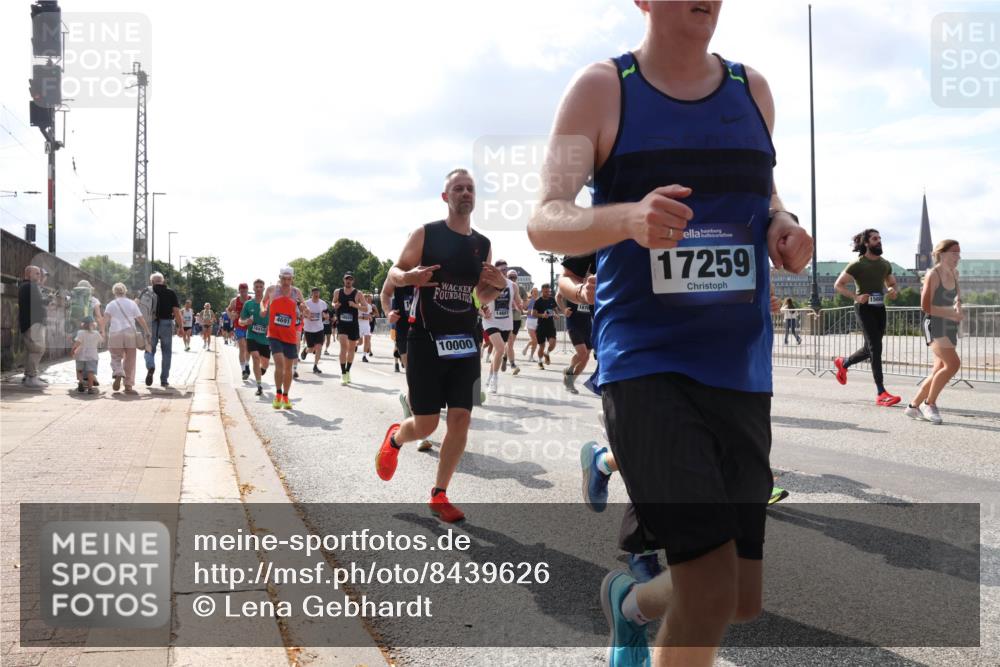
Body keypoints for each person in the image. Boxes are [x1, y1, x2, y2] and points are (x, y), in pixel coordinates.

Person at [526, 2, 813, 663]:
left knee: (737, 595)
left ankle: (627, 599)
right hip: (645, 358)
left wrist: (782, 228)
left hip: (740, 363)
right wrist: (626, 219)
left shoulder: (753, 91)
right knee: (709, 585)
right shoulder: (602, 88)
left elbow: (765, 193)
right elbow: (545, 219)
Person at [375, 168, 507, 523]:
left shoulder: (482, 244)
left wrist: (497, 287)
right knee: (427, 425)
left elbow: (479, 298)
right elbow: (393, 273)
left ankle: (439, 494)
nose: (465, 193)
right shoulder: (426, 234)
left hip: (465, 341)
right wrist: (409, 277)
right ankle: (396, 439)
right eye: (458, 188)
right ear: (445, 196)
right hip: (425, 340)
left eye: (470, 189)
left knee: (462, 419)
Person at [833, 229, 901, 406]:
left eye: (880, 238)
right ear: (866, 243)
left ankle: (844, 362)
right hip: (863, 308)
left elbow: (891, 283)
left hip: (879, 308)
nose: (879, 241)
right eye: (875, 239)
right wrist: (856, 297)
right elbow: (838, 285)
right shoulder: (857, 264)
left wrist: (893, 290)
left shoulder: (885, 264)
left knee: (870, 347)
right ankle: (881, 392)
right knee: (875, 347)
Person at [904, 239, 963, 425]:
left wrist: (958, 307)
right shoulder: (933, 274)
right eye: (954, 252)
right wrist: (949, 312)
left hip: (949, 324)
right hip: (934, 323)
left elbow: (958, 297)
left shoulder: (955, 273)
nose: (958, 256)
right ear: (942, 254)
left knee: (939, 369)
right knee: (953, 364)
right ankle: (929, 404)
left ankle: (913, 406)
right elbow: (925, 306)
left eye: (959, 252)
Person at [262, 267, 309, 409]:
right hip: (274, 333)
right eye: (284, 279)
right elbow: (263, 302)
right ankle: (277, 394)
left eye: (289, 279)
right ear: (279, 277)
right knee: (279, 365)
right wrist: (263, 309)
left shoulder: (296, 292)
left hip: (289, 334)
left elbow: (303, 306)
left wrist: (304, 310)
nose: (286, 282)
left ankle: (286, 396)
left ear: (292, 279)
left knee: (289, 369)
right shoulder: (271, 290)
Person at [482, 263, 523, 394]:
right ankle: (494, 380)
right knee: (500, 349)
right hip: (490, 321)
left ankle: (489, 377)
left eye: (506, 269)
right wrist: (481, 311)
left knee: (497, 353)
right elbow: (478, 299)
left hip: (506, 322)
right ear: (496, 270)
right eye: (502, 269)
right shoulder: (488, 283)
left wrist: (520, 305)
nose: (504, 271)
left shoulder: (513, 285)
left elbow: (517, 300)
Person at [103, 282, 151, 394]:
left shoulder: (111, 304)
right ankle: (128, 384)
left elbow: (105, 320)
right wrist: (147, 330)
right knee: (130, 359)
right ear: (125, 291)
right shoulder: (132, 304)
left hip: (115, 333)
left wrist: (102, 331)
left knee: (115, 356)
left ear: (114, 292)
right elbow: (140, 318)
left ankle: (118, 372)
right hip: (130, 333)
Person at [558, 255, 596, 394]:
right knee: (582, 352)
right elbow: (559, 294)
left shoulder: (594, 280)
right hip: (573, 321)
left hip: (587, 322)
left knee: (586, 356)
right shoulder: (574, 279)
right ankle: (570, 369)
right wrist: (563, 309)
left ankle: (571, 381)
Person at [141, 273, 184, 388]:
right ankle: (164, 380)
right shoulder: (170, 293)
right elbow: (176, 311)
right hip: (166, 323)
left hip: (151, 324)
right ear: (163, 281)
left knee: (149, 349)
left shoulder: (146, 292)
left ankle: (150, 366)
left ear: (152, 282)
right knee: (166, 352)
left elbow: (138, 308)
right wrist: (181, 327)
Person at [240, 279, 271, 397]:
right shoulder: (248, 304)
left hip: (265, 338)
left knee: (265, 363)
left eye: (260, 287)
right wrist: (245, 321)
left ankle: (261, 371)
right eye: (256, 287)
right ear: (253, 289)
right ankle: (259, 386)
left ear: (264, 289)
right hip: (252, 336)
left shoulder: (270, 303)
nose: (258, 289)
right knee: (255, 357)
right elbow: (240, 320)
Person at [18, 265, 48, 388]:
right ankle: (31, 377)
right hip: (34, 323)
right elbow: (39, 302)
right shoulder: (31, 286)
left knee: (32, 350)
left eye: (39, 274)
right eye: (36, 273)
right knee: (37, 349)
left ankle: (28, 376)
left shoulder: (25, 286)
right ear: (28, 274)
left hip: (30, 323)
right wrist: (50, 298)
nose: (39, 276)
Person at [333, 273, 362, 384]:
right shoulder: (337, 292)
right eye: (346, 279)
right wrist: (334, 305)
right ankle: (343, 373)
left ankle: (348, 371)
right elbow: (333, 302)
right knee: (343, 347)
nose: (348, 281)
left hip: (353, 324)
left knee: (351, 348)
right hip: (342, 323)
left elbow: (364, 307)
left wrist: (355, 305)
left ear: (353, 281)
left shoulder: (358, 293)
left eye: (350, 279)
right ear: (343, 280)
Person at [382, 277, 414, 373]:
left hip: (422, 328)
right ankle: (396, 362)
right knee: (410, 371)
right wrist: (388, 312)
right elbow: (385, 293)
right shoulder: (396, 273)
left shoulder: (426, 270)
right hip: (401, 327)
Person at [72, 316, 103, 394]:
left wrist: (72, 350)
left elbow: (77, 343)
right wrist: (101, 333)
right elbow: (101, 341)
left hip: (80, 355)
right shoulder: (96, 333)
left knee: (79, 370)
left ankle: (81, 382)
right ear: (93, 324)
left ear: (83, 324)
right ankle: (90, 388)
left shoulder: (80, 332)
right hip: (92, 355)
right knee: (90, 372)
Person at [228, 284, 252, 379]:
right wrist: (232, 316)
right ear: (239, 291)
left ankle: (246, 364)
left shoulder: (251, 300)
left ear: (247, 290)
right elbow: (228, 310)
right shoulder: (235, 301)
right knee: (242, 347)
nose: (243, 293)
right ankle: (243, 371)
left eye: (245, 290)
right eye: (241, 291)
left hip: (249, 327)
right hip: (239, 327)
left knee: (248, 349)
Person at [532, 284, 558, 369]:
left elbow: (555, 311)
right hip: (541, 326)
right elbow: (533, 314)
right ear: (542, 290)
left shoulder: (552, 299)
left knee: (553, 343)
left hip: (550, 325)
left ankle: (547, 353)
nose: (548, 293)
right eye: (546, 291)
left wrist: (556, 315)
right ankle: (540, 361)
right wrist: (542, 315)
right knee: (541, 346)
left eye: (549, 291)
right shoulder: (538, 301)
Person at [302, 287, 328, 374]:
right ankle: (306, 350)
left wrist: (326, 316)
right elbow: (302, 315)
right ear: (311, 294)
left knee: (319, 348)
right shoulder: (306, 303)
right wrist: (307, 316)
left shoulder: (323, 303)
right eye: (314, 293)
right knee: (311, 349)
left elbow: (326, 313)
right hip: (308, 329)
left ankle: (315, 366)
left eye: (317, 293)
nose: (316, 294)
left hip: (319, 328)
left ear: (319, 293)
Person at [505, 269, 526, 373]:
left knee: (510, 343)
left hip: (516, 319)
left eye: (514, 277)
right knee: (509, 342)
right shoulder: (503, 287)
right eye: (510, 277)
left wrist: (522, 305)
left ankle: (505, 357)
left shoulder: (520, 288)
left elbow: (525, 301)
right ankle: (513, 365)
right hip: (506, 318)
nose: (513, 279)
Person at [522, 286, 540, 362]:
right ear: (531, 293)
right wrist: (528, 312)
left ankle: (530, 354)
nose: (535, 293)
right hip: (530, 321)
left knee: (535, 340)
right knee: (534, 340)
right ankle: (530, 354)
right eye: (534, 292)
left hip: (538, 322)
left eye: (537, 292)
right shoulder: (529, 301)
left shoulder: (540, 301)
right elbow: (523, 310)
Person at [359, 292, 375, 361]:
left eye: (366, 299)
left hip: (366, 326)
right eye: (364, 298)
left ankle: (364, 356)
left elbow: (369, 315)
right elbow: (355, 316)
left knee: (367, 340)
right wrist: (363, 317)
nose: (365, 300)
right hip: (359, 325)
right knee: (360, 342)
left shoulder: (369, 306)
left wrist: (370, 317)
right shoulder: (358, 306)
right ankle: (355, 345)